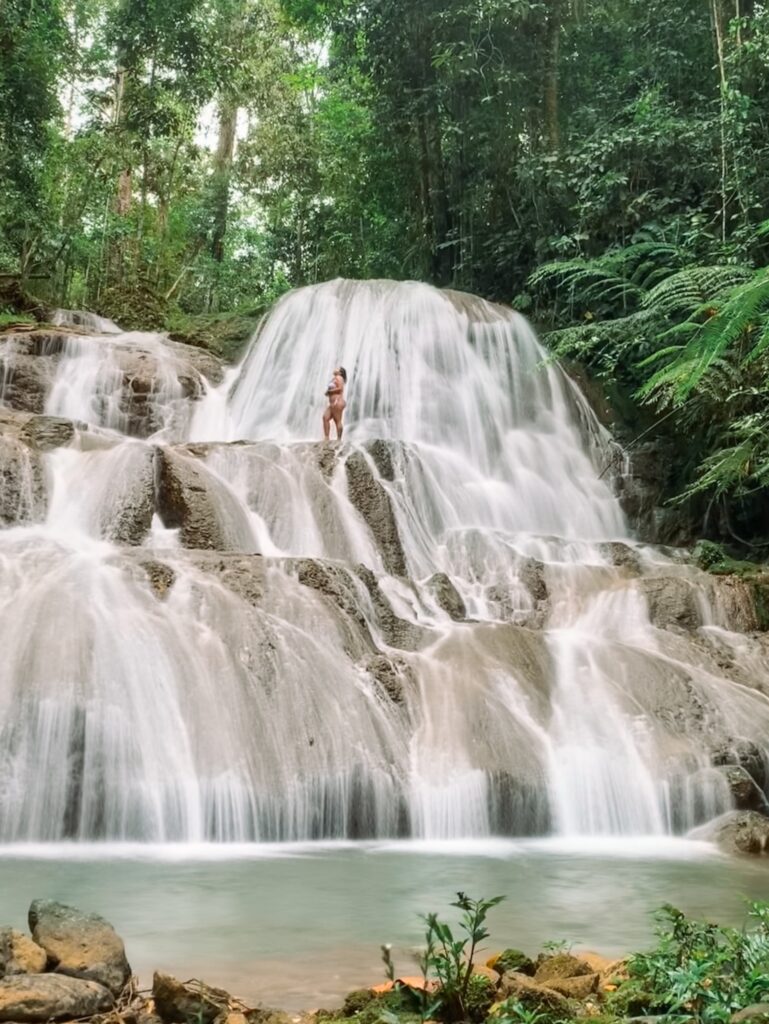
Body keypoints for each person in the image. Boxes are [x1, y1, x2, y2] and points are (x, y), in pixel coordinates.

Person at [323, 365, 347, 440]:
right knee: (325, 417)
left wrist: (329, 391)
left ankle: (339, 439)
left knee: (338, 420)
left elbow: (340, 389)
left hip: (338, 401)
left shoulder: (339, 378)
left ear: (340, 372)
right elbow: (334, 389)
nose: (335, 368)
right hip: (333, 403)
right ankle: (326, 437)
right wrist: (328, 392)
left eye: (337, 368)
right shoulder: (334, 379)